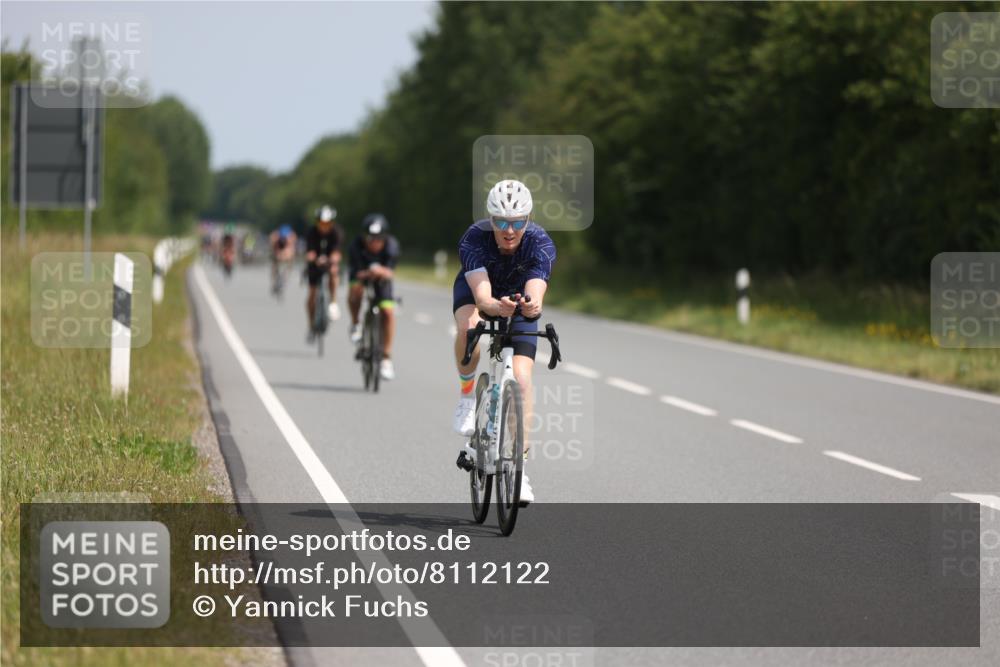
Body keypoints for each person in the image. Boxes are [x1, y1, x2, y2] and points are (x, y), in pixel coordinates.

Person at [451, 179, 556, 504]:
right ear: (490, 219)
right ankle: (468, 396)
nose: (508, 230)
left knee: (522, 380)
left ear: (528, 218)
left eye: (517, 222)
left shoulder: (540, 242)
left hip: (518, 297)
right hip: (479, 292)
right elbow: (482, 297)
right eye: (500, 222)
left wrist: (532, 304)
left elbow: (536, 289)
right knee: (470, 326)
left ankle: (519, 470)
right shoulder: (474, 238)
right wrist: (494, 306)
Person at [347, 214, 401, 381]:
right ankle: (356, 323)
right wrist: (368, 273)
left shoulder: (391, 246)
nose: (374, 243)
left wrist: (380, 272)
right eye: (371, 239)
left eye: (379, 239)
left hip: (382, 280)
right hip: (361, 276)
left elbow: (390, 271)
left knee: (388, 312)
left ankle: (386, 357)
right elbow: (355, 272)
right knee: (355, 291)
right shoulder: (355, 246)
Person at [304, 205, 342, 340]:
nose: (324, 226)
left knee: (334, 271)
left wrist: (331, 260)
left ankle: (333, 302)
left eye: (327, 223)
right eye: (321, 223)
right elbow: (309, 252)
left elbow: (337, 252)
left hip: (329, 261)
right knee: (312, 295)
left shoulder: (336, 232)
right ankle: (311, 325)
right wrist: (315, 259)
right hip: (315, 263)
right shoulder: (311, 232)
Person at [269, 224, 297, 293]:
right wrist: (277, 255)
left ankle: (286, 274)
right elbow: (274, 248)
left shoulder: (291, 237)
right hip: (277, 248)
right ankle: (275, 277)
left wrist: (288, 257)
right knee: (275, 262)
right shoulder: (275, 237)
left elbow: (291, 250)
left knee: (289, 260)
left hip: (287, 249)